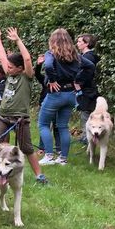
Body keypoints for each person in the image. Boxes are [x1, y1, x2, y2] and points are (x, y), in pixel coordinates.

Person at [0, 27, 49, 185]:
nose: (7, 68)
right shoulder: (10, 75)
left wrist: (17, 40)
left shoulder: (26, 77)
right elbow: (3, 56)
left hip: (20, 119)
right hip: (3, 116)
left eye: (11, 66)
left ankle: (39, 176)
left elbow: (28, 59)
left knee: (27, 148)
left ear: (20, 68)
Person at [38, 28, 85, 166]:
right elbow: (90, 67)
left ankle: (49, 156)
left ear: (53, 41)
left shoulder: (50, 53)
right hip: (71, 94)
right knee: (63, 126)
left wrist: (52, 80)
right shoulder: (75, 55)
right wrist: (78, 81)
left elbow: (47, 66)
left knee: (43, 124)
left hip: (55, 94)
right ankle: (63, 158)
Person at [75, 33, 100, 142]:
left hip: (87, 90)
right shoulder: (88, 56)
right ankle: (86, 137)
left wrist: (78, 83)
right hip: (86, 89)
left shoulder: (88, 57)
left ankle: (87, 138)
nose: (77, 44)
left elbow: (87, 73)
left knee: (86, 113)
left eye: (80, 42)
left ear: (87, 44)